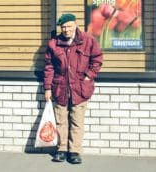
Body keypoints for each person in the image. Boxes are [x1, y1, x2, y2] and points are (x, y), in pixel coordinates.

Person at [44, 13, 103, 164]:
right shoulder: (53, 43)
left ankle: (74, 151)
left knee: (77, 121)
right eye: (63, 27)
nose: (66, 29)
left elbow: (97, 60)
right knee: (60, 121)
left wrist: (89, 76)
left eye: (69, 26)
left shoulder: (88, 40)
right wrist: (47, 88)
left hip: (80, 89)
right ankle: (61, 149)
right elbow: (49, 67)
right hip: (59, 88)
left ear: (75, 25)